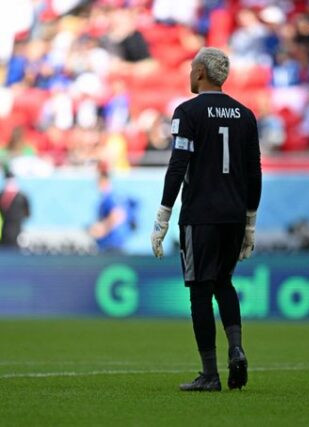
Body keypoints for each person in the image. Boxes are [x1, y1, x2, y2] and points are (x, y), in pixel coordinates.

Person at [151, 47, 262, 392]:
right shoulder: (245, 115)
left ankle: (210, 374)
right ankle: (237, 349)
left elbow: (178, 164)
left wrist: (163, 215)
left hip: (200, 216)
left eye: (190, 68)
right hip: (233, 216)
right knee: (224, 284)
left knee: (200, 291)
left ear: (200, 72)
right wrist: (250, 223)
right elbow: (254, 173)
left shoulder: (187, 112)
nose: (188, 74)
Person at [89, 167, 134, 253]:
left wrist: (102, 229)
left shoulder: (110, 197)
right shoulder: (113, 197)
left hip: (112, 244)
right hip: (111, 243)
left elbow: (118, 215)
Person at [0, 171, 31, 248]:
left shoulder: (1, 195)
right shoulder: (22, 196)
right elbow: (28, 214)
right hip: (13, 229)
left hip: (9, 229)